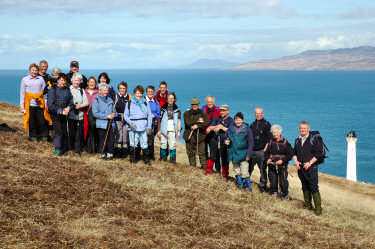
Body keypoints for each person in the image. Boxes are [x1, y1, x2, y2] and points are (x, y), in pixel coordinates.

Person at [293, 121, 324, 215]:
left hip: (311, 167)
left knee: (313, 187)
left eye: (305, 128)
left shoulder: (313, 139)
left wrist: (310, 163)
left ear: (308, 129)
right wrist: (296, 162)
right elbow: (294, 152)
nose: (303, 130)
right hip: (301, 167)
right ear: (299, 129)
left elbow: (319, 153)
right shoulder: (297, 140)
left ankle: (318, 209)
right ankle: (307, 205)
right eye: (301, 128)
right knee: (304, 185)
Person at [20, 63, 51, 141]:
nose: (34, 72)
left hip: (40, 103)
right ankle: (33, 136)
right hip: (29, 103)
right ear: (30, 70)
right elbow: (22, 93)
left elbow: (44, 91)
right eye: (33, 70)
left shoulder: (40, 79)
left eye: (36, 70)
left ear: (38, 70)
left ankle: (44, 136)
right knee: (32, 120)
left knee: (42, 120)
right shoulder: (24, 79)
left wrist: (46, 103)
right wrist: (22, 106)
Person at [124, 85, 153, 165]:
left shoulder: (145, 103)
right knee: (133, 144)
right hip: (133, 126)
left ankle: (146, 161)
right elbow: (125, 115)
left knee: (144, 144)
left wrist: (149, 127)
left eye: (140, 93)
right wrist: (130, 123)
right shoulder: (129, 103)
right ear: (134, 93)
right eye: (137, 93)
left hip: (143, 126)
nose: (139, 95)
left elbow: (149, 116)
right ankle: (133, 160)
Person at [226, 112, 254, 192]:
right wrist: (226, 141)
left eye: (240, 120)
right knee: (237, 171)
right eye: (236, 120)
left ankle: (247, 186)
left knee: (245, 171)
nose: (238, 121)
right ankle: (240, 185)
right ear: (234, 120)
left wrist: (249, 154)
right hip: (233, 153)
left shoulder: (247, 129)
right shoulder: (231, 129)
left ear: (242, 120)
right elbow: (227, 136)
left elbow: (251, 143)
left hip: (244, 153)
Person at [47, 73, 73, 156]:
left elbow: (71, 101)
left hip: (65, 113)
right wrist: (60, 111)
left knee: (65, 131)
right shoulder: (53, 89)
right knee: (58, 131)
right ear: (58, 80)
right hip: (55, 114)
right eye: (61, 80)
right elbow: (50, 105)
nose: (63, 82)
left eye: (64, 80)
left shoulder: (67, 90)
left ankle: (64, 148)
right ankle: (57, 149)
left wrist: (68, 108)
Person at [264, 125, 293, 200]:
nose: (275, 134)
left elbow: (290, 155)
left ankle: (285, 194)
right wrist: (268, 159)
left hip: (282, 165)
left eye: (276, 132)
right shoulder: (270, 142)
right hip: (272, 164)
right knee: (273, 180)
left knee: (283, 182)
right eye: (273, 133)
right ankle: (274, 192)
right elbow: (266, 153)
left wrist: (282, 160)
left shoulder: (285, 142)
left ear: (280, 132)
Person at [205, 104, 234, 178]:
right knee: (212, 156)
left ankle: (224, 175)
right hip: (215, 140)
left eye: (224, 110)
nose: (222, 112)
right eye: (221, 110)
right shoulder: (217, 118)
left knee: (224, 159)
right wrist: (216, 127)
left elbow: (231, 131)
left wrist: (222, 127)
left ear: (228, 111)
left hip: (225, 142)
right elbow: (211, 127)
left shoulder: (231, 120)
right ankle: (208, 172)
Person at [249, 107, 272, 192]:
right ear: (255, 114)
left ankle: (262, 186)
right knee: (249, 168)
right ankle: (247, 182)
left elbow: (269, 138)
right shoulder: (252, 124)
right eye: (256, 113)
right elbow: (249, 138)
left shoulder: (266, 124)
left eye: (259, 113)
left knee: (262, 169)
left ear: (262, 113)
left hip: (261, 150)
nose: (258, 115)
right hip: (252, 150)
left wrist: (265, 150)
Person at [92, 83, 117, 159]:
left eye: (107, 90)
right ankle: (102, 152)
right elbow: (95, 113)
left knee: (111, 139)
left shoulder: (110, 99)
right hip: (102, 124)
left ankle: (110, 153)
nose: (106, 92)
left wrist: (114, 115)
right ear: (100, 91)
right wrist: (107, 116)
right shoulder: (96, 100)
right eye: (104, 90)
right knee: (103, 139)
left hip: (111, 123)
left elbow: (114, 111)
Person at [183, 97, 210, 169]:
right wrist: (199, 121)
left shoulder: (202, 113)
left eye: (196, 104)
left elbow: (207, 122)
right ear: (191, 105)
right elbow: (187, 122)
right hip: (189, 136)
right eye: (193, 104)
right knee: (191, 153)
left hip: (200, 136)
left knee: (202, 153)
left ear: (198, 104)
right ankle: (193, 168)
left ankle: (204, 168)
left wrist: (197, 125)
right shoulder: (186, 113)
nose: (194, 105)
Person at [157, 92, 181, 163]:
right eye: (169, 98)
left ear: (174, 99)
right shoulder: (163, 109)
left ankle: (172, 161)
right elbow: (159, 120)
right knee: (163, 144)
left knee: (172, 145)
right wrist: (158, 130)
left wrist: (179, 131)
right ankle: (162, 160)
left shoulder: (177, 109)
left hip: (173, 129)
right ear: (167, 99)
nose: (171, 100)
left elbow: (179, 121)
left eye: (172, 98)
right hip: (163, 129)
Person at [68, 72, 89, 155]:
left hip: (80, 116)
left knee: (79, 134)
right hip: (70, 116)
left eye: (79, 80)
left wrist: (80, 106)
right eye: (75, 80)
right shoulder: (68, 90)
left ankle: (77, 150)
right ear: (72, 80)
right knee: (71, 133)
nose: (77, 82)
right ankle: (70, 148)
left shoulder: (82, 91)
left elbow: (86, 102)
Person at [202, 95, 221, 174]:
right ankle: (206, 168)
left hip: (214, 134)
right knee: (204, 150)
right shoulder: (202, 110)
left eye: (211, 102)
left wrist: (212, 128)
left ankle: (217, 169)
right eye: (208, 102)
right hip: (204, 133)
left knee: (215, 151)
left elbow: (220, 120)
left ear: (214, 102)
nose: (209, 103)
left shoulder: (218, 110)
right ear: (206, 102)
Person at [114, 81, 132, 158]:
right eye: (120, 88)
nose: (122, 90)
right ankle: (118, 152)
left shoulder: (129, 97)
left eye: (124, 88)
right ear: (118, 89)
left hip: (126, 119)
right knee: (118, 135)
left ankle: (124, 153)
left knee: (125, 136)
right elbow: (113, 108)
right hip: (117, 118)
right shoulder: (115, 96)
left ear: (126, 89)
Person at [85, 76, 100, 154]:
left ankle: (95, 148)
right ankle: (88, 148)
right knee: (87, 132)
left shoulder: (98, 92)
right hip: (85, 114)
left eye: (93, 82)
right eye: (90, 82)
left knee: (95, 132)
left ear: (95, 84)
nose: (92, 84)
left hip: (95, 115)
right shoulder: (84, 91)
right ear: (87, 83)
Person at [144, 85, 160, 160]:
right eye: (149, 91)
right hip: (143, 124)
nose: (150, 93)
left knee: (151, 141)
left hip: (152, 124)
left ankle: (151, 156)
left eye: (152, 92)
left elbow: (158, 113)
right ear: (146, 92)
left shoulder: (156, 102)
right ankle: (143, 156)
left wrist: (154, 115)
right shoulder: (143, 100)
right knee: (143, 140)